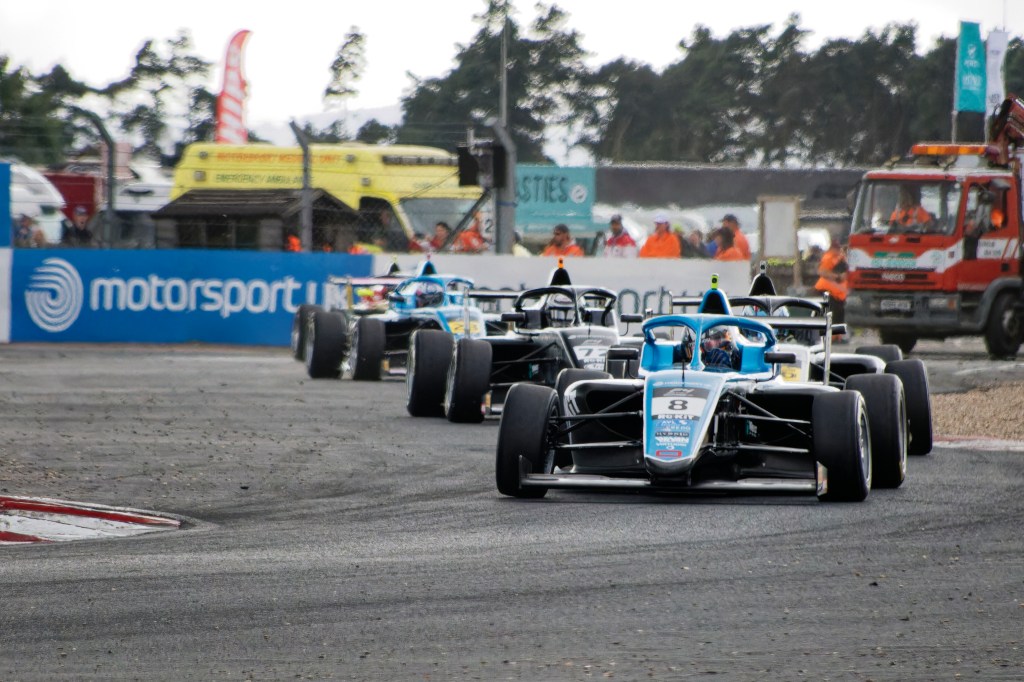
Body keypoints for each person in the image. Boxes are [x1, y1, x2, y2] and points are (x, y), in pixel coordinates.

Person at [815, 237, 849, 327]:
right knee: (832, 319)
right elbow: (822, 271)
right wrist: (838, 277)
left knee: (839, 318)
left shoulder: (843, 258)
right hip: (829, 292)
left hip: (839, 296)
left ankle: (837, 334)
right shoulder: (832, 257)